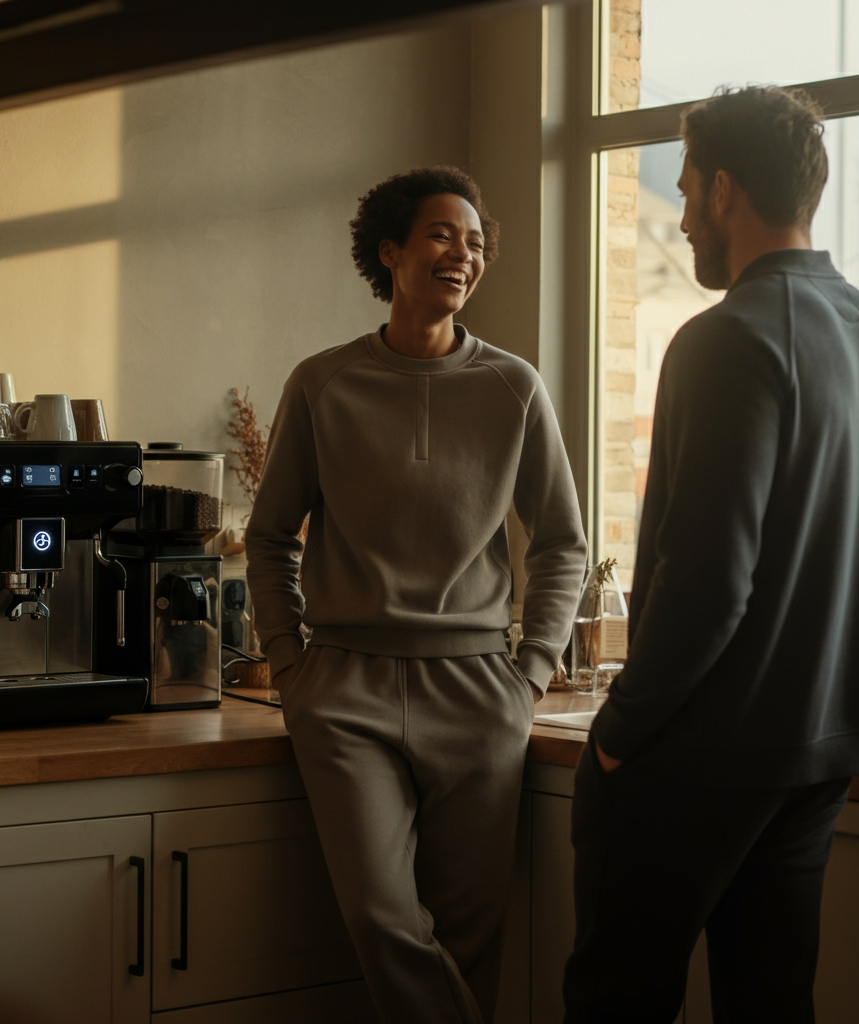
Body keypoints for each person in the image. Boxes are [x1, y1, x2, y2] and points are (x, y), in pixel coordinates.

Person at [562, 86, 859, 1024]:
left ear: (726, 191)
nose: (683, 215)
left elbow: (707, 583)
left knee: (614, 1002)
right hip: (823, 754)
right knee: (769, 1004)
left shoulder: (723, 339)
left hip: (699, 747)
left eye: (689, 190)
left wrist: (617, 732)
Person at [246, 165, 587, 1024]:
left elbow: (561, 543)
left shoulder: (515, 387)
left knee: (469, 935)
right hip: (345, 692)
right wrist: (292, 667)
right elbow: (268, 536)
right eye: (441, 235)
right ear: (390, 252)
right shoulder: (322, 384)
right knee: (384, 919)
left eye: (474, 243)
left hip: (478, 693)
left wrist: (532, 672)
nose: (461, 255)